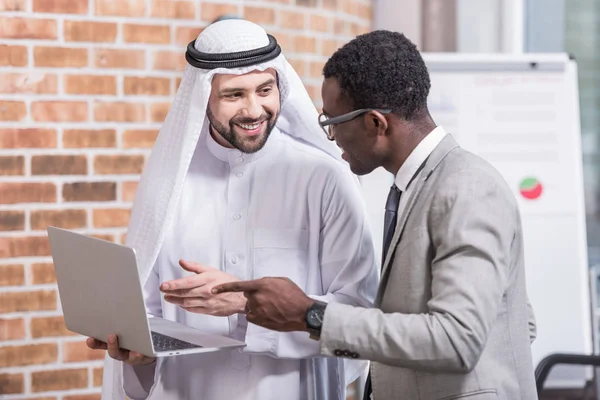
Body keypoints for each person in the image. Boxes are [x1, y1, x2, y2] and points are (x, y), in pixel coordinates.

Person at [213, 30, 539, 400]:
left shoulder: (466, 187)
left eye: (333, 122)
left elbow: (459, 339)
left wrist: (309, 313)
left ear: (374, 123)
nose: (331, 137)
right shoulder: (414, 187)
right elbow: (516, 318)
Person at [87, 20, 379, 400]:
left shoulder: (325, 179)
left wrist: (247, 306)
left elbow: (359, 315)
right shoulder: (169, 183)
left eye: (265, 90)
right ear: (202, 96)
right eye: (234, 94)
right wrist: (139, 354)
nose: (254, 109)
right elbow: (147, 310)